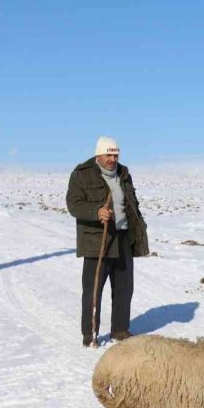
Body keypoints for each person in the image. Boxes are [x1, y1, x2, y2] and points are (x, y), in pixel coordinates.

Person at [66, 136, 149, 347]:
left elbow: (132, 204)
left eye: (115, 154)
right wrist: (96, 212)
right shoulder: (82, 174)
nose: (112, 159)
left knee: (124, 288)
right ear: (98, 154)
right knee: (93, 291)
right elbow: (73, 204)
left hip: (123, 238)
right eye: (108, 154)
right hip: (98, 241)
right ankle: (90, 333)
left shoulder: (124, 174)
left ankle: (120, 329)